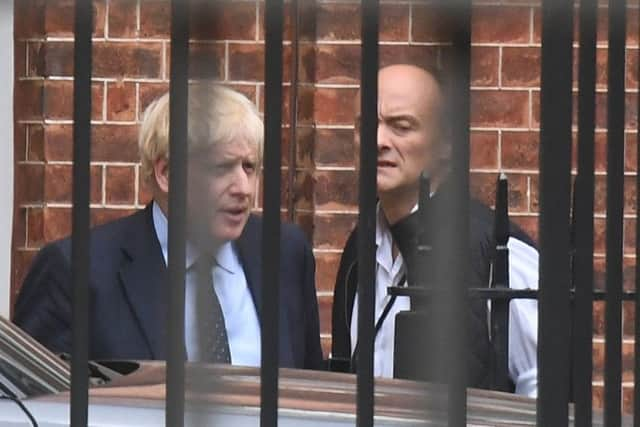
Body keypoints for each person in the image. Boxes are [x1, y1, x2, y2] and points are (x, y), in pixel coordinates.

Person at [13, 84, 323, 370]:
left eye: (249, 167)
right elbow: (35, 403)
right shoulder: (78, 271)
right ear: (165, 173)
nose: (243, 187)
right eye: (222, 168)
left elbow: (310, 394)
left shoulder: (284, 253)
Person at [330, 64, 538, 396]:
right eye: (365, 125)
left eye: (401, 126)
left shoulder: (496, 249)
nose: (378, 140)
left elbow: (544, 388)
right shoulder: (360, 247)